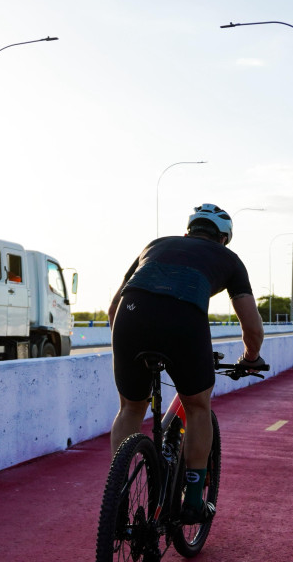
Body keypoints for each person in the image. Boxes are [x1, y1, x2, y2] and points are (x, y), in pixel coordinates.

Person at [107, 203, 265, 524]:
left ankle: (117, 499)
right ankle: (193, 501)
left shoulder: (155, 246)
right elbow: (252, 327)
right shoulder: (230, 260)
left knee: (130, 409)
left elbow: (113, 308)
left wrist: (128, 343)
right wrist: (250, 358)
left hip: (131, 315)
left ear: (188, 232)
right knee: (196, 406)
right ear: (223, 239)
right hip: (184, 319)